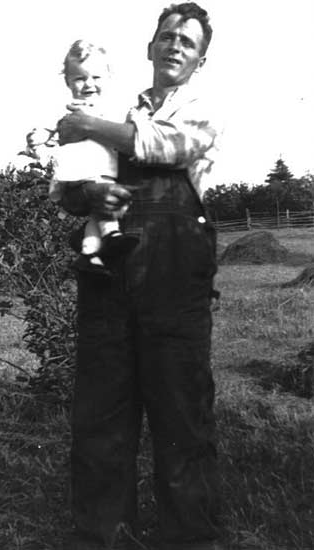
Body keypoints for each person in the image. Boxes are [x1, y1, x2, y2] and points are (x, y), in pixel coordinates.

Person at [57, 3, 223, 549]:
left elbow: (166, 145)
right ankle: (102, 537)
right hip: (110, 277)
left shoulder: (200, 106)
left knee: (181, 417)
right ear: (150, 47)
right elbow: (71, 184)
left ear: (200, 59)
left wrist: (90, 125)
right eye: (167, 36)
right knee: (101, 416)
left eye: (188, 42)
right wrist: (91, 192)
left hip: (175, 280)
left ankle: (189, 539)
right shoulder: (110, 103)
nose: (175, 46)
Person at [25, 40, 138, 275]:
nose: (89, 84)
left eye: (96, 78)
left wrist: (132, 118)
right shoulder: (71, 108)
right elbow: (50, 127)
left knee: (98, 214)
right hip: (79, 173)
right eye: (80, 78)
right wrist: (40, 135)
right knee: (105, 204)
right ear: (67, 81)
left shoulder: (114, 108)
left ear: (108, 77)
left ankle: (90, 255)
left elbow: (127, 130)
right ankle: (112, 237)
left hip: (103, 171)